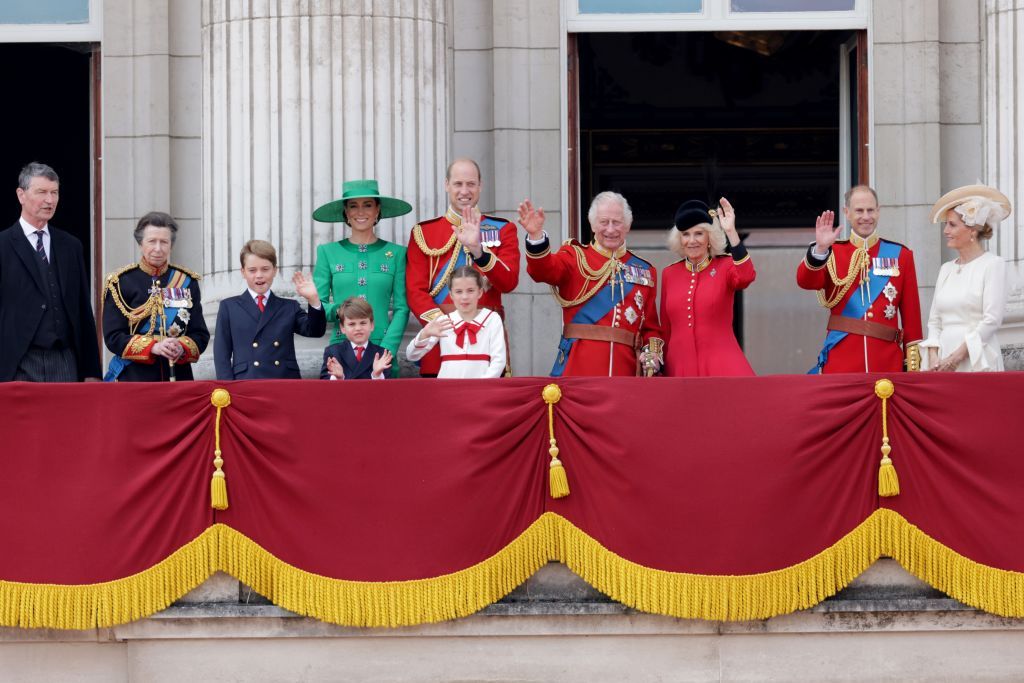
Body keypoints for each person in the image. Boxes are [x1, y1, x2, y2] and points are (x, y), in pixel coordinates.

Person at [519, 192, 663, 377]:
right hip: (579, 369)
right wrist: (536, 237)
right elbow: (543, 271)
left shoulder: (644, 270)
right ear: (593, 224)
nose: (610, 229)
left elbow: (651, 328)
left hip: (625, 372)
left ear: (627, 225)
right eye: (604, 222)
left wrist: (652, 354)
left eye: (617, 222)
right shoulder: (574, 256)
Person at [405, 158, 520, 376]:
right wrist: (447, 326)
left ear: (480, 186)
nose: (464, 191)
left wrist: (479, 251)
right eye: (458, 184)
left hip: (487, 338)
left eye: (471, 184)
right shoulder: (424, 233)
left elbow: (509, 282)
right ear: (446, 185)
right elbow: (415, 291)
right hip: (440, 342)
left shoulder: (503, 229)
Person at [797, 185, 923, 374]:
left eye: (870, 210)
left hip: (886, 365)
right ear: (847, 213)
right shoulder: (832, 253)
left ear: (878, 212)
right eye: (859, 211)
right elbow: (806, 282)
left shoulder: (901, 255)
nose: (866, 216)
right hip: (841, 364)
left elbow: (912, 319)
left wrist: (912, 368)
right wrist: (821, 250)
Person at [0, 162, 102, 382]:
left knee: (68, 417)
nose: (50, 200)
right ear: (21, 195)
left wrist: (92, 371)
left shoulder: (71, 246)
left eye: (54, 192)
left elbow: (83, 310)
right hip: (17, 363)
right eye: (42, 192)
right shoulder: (3, 245)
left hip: (65, 361)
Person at [313, 179, 411, 375]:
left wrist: (387, 349)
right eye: (353, 206)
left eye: (368, 205)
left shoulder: (397, 253)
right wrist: (342, 310)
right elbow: (318, 305)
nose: (360, 212)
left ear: (377, 211)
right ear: (346, 213)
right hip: (341, 351)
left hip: (383, 353)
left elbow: (402, 308)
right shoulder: (327, 252)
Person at [103, 211, 209, 381]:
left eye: (164, 242)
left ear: (171, 246)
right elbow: (113, 336)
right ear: (140, 244)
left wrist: (181, 347)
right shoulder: (121, 282)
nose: (158, 249)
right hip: (135, 378)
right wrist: (153, 347)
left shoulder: (187, 281)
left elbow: (200, 335)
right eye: (152, 241)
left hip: (178, 377)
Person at [920, 185, 1011, 372]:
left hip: (977, 359)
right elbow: (934, 321)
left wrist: (956, 357)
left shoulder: (993, 265)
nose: (945, 231)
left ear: (973, 231)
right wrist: (934, 355)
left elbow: (991, 320)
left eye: (952, 225)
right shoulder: (946, 269)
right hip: (942, 360)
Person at [660, 198, 755, 377]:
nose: (692, 240)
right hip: (679, 367)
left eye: (699, 233)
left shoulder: (725, 266)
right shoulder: (669, 274)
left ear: (709, 237)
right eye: (686, 234)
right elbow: (666, 328)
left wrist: (731, 232)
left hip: (721, 365)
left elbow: (746, 276)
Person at [214, 240, 327, 379]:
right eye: (252, 270)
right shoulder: (229, 307)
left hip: (283, 382)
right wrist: (227, 388)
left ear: (275, 270)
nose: (259, 275)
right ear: (243, 272)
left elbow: (315, 331)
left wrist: (313, 299)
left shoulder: (289, 306)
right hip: (246, 382)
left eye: (265, 269)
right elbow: (221, 353)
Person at [405, 266, 507, 379]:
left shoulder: (492, 319)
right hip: (447, 390)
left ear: (480, 292)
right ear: (451, 295)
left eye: (470, 291)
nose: (464, 297)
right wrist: (425, 334)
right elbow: (411, 355)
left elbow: (499, 360)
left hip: (481, 390)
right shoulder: (443, 321)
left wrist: (482, 387)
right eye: (458, 292)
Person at [320, 297, 393, 380]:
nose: (358, 328)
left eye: (363, 323)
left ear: (372, 325)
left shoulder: (382, 354)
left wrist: (376, 375)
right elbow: (324, 385)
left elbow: (387, 390)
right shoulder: (333, 352)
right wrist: (339, 378)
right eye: (351, 324)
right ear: (343, 328)